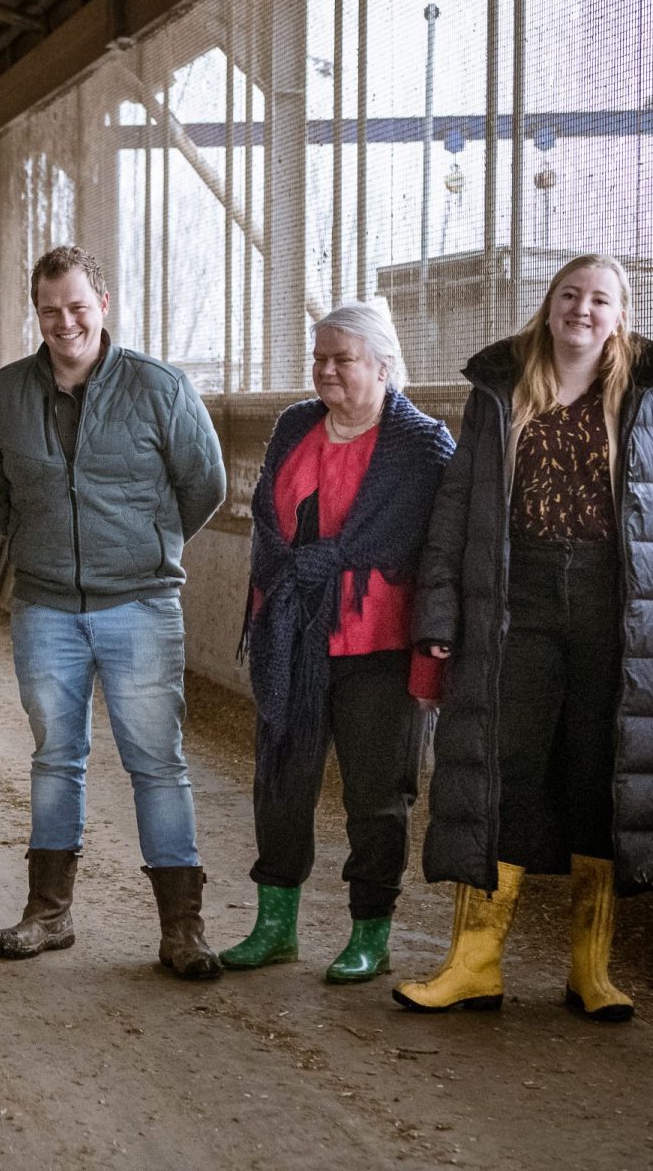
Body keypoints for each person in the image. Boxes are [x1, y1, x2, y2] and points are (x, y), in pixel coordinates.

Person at [394, 253, 653, 1019]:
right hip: (520, 600)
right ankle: (473, 965)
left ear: (620, 315)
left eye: (599, 300)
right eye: (570, 295)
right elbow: (457, 509)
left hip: (620, 610)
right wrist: (440, 616)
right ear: (549, 306)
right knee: (499, 768)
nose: (582, 309)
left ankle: (591, 971)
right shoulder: (498, 390)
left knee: (596, 773)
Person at [0, 244, 229, 978]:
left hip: (141, 602)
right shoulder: (5, 395)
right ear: (36, 312)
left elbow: (203, 485)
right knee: (56, 757)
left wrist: (146, 542)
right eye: (50, 310)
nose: (64, 322)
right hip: (46, 606)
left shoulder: (159, 389)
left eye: (77, 306)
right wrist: (33, 538)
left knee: (157, 761)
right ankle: (48, 914)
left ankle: (182, 928)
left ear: (103, 305)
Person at [223, 301, 454, 984]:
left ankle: (369, 933)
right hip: (293, 632)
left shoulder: (422, 445)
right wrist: (289, 580)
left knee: (377, 795)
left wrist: (444, 634)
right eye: (319, 357)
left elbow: (439, 548)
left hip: (379, 645)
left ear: (384, 366)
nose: (325, 370)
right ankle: (274, 926)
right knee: (281, 782)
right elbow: (268, 520)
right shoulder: (295, 424)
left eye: (342, 359)